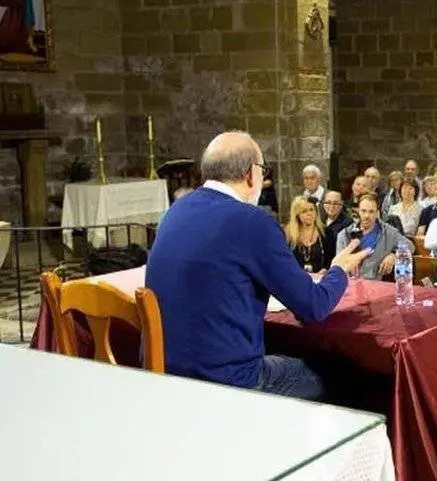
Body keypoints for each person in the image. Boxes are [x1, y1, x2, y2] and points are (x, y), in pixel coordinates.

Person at [147, 131, 370, 399]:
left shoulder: (175, 211)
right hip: (228, 381)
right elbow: (314, 306)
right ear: (251, 174)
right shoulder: (252, 221)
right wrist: (339, 270)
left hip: (166, 374)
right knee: (341, 371)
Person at [336, 193, 412, 280]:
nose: (366, 216)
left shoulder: (389, 232)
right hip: (350, 283)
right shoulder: (344, 234)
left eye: (371, 211)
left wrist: (394, 255)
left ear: (377, 213)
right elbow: (338, 265)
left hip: (376, 285)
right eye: (363, 211)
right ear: (358, 211)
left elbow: (410, 246)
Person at [284, 196, 328, 274]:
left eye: (311, 210)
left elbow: (331, 259)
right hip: (296, 277)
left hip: (321, 278)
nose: (309, 214)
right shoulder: (288, 234)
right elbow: (284, 259)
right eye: (304, 211)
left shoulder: (326, 232)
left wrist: (325, 270)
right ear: (297, 215)